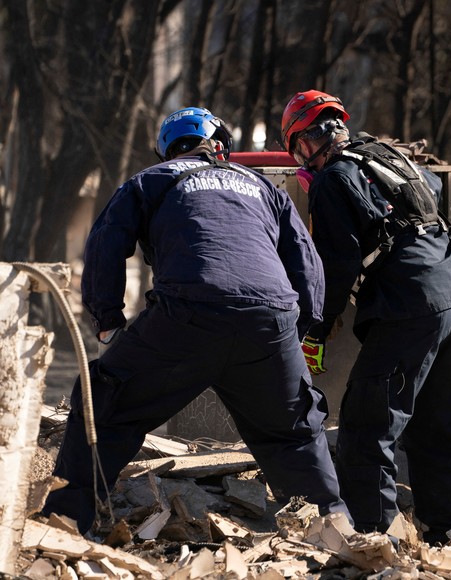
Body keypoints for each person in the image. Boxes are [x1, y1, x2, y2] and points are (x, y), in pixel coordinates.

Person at [42, 107, 350, 534]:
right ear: (220, 144)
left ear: (166, 151)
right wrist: (296, 331)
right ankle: (337, 536)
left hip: (188, 314)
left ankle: (65, 524)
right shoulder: (261, 185)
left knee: (104, 405)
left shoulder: (151, 180)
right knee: (293, 436)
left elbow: (105, 243)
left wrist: (107, 320)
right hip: (270, 321)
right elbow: (306, 260)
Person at [280, 90, 451, 544]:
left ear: (308, 140)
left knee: (367, 428)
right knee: (434, 422)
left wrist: (316, 329)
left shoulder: (332, 180)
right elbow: (435, 187)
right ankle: (443, 530)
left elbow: (336, 264)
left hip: (407, 308)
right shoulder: (384, 154)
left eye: (299, 148)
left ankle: (372, 540)